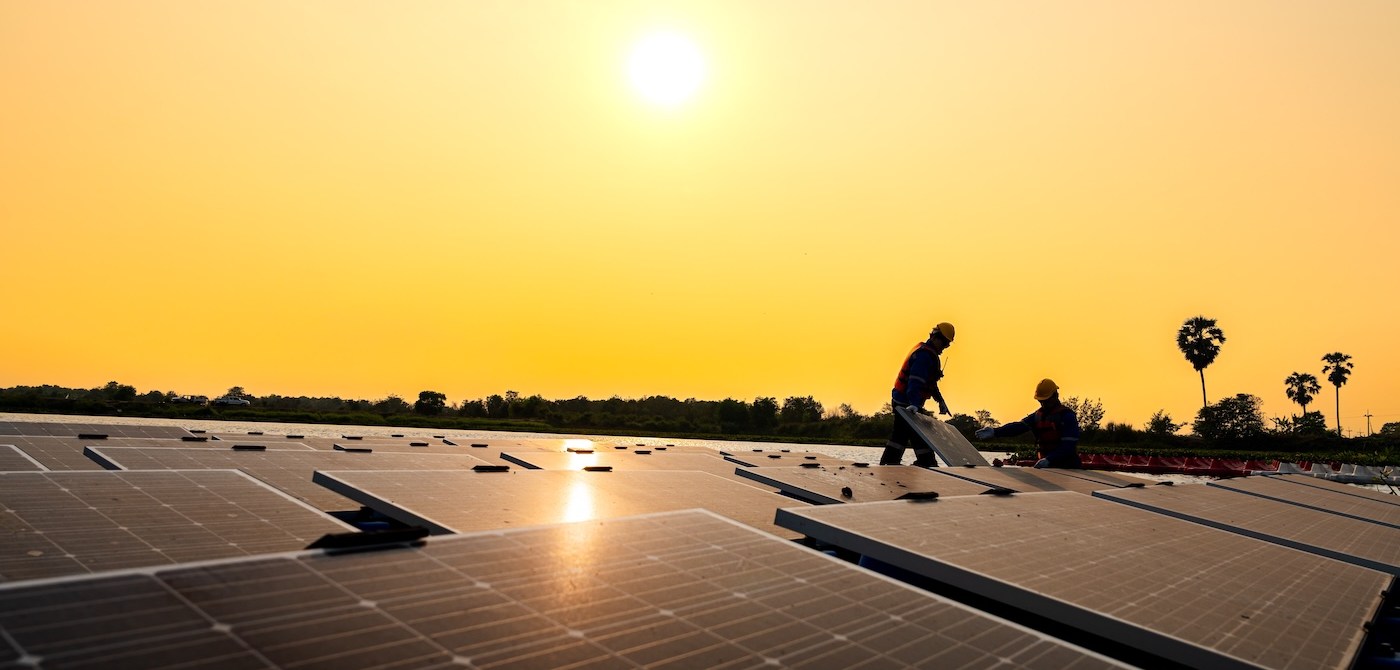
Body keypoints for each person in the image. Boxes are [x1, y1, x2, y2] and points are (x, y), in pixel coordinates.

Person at [880, 322, 955, 467]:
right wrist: (914, 404)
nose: (945, 347)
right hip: (905, 404)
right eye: (944, 343)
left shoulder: (928, 354)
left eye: (948, 345)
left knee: (911, 435)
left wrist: (940, 401)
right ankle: (919, 463)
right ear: (936, 338)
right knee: (905, 435)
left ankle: (922, 462)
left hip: (908, 403)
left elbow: (930, 383)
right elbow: (915, 381)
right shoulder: (924, 356)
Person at [974, 378, 1082, 468]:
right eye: (1041, 401)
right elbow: (1018, 427)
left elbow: (1068, 446)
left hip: (1067, 466)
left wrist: (1050, 459)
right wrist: (995, 431)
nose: (1043, 404)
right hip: (1046, 467)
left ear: (1055, 396)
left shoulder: (1067, 416)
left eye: (1046, 401)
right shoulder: (1038, 416)